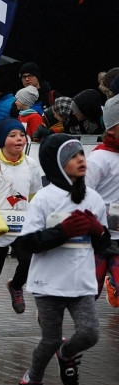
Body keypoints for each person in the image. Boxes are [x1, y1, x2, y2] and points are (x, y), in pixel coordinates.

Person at [13, 135, 110, 385]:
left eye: (82, 154)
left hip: (80, 282)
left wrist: (97, 230)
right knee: (50, 339)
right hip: (48, 284)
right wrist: (62, 232)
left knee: (90, 333)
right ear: (56, 163)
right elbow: (26, 244)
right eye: (72, 156)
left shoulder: (93, 198)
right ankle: (31, 381)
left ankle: (66, 355)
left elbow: (104, 245)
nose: (81, 160)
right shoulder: (44, 199)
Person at [0, 118, 42, 328]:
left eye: (21, 135)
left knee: (29, 262)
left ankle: (16, 286)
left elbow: (35, 195)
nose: (19, 139)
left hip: (22, 229)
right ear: (2, 140)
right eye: (13, 136)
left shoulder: (31, 164)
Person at [83, 95, 119, 308]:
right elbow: (83, 193)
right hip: (100, 237)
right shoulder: (99, 158)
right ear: (112, 128)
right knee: (91, 290)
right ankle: (54, 310)